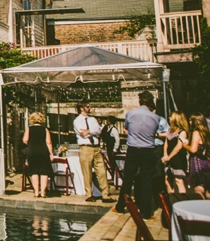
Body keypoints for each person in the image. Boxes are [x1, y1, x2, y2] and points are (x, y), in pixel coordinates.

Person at [114, 91, 160, 219]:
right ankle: (146, 211)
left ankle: (121, 206)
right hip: (149, 150)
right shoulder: (156, 118)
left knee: (128, 179)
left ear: (140, 101)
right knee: (147, 181)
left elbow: (127, 128)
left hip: (134, 149)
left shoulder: (131, 114)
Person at [73, 101, 114, 203]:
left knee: (102, 171)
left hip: (96, 147)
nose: (89, 108)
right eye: (87, 106)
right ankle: (89, 194)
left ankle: (105, 194)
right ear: (82, 108)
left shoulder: (92, 119)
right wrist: (91, 131)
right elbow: (83, 133)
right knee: (87, 172)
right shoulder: (77, 120)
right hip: (85, 147)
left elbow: (99, 131)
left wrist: (89, 131)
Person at [183, 113, 210, 199]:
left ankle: (202, 209)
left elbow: (193, 150)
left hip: (197, 162)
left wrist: (185, 145)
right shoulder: (205, 132)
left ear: (195, 121)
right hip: (205, 161)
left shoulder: (196, 132)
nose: (189, 121)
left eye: (191, 119)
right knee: (208, 189)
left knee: (199, 189)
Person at [22, 112, 54, 198]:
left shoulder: (29, 129)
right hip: (43, 151)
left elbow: (25, 140)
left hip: (32, 151)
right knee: (44, 171)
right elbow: (49, 142)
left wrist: (31, 143)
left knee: (34, 171)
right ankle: (43, 192)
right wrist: (51, 154)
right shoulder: (45, 129)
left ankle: (36, 192)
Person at [162, 111, 189, 194]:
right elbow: (166, 143)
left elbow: (178, 147)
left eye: (171, 117)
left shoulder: (182, 132)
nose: (169, 118)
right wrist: (165, 154)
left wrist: (169, 157)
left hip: (178, 159)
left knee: (179, 181)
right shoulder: (170, 130)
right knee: (167, 180)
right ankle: (171, 201)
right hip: (169, 158)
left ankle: (183, 202)